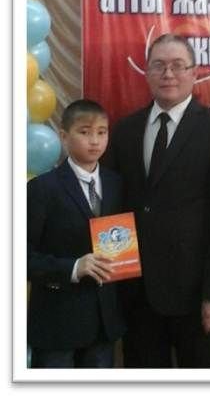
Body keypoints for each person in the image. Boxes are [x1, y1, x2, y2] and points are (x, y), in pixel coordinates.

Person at [104, 33, 210, 368]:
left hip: (197, 296)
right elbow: (113, 209)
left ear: (194, 73)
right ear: (147, 73)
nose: (168, 74)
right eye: (159, 65)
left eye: (178, 65)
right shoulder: (124, 130)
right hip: (137, 294)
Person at [27, 99, 125, 368]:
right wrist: (73, 267)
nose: (95, 141)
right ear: (63, 136)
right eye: (84, 132)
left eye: (102, 132)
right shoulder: (42, 188)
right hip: (57, 325)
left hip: (103, 325)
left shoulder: (117, 184)